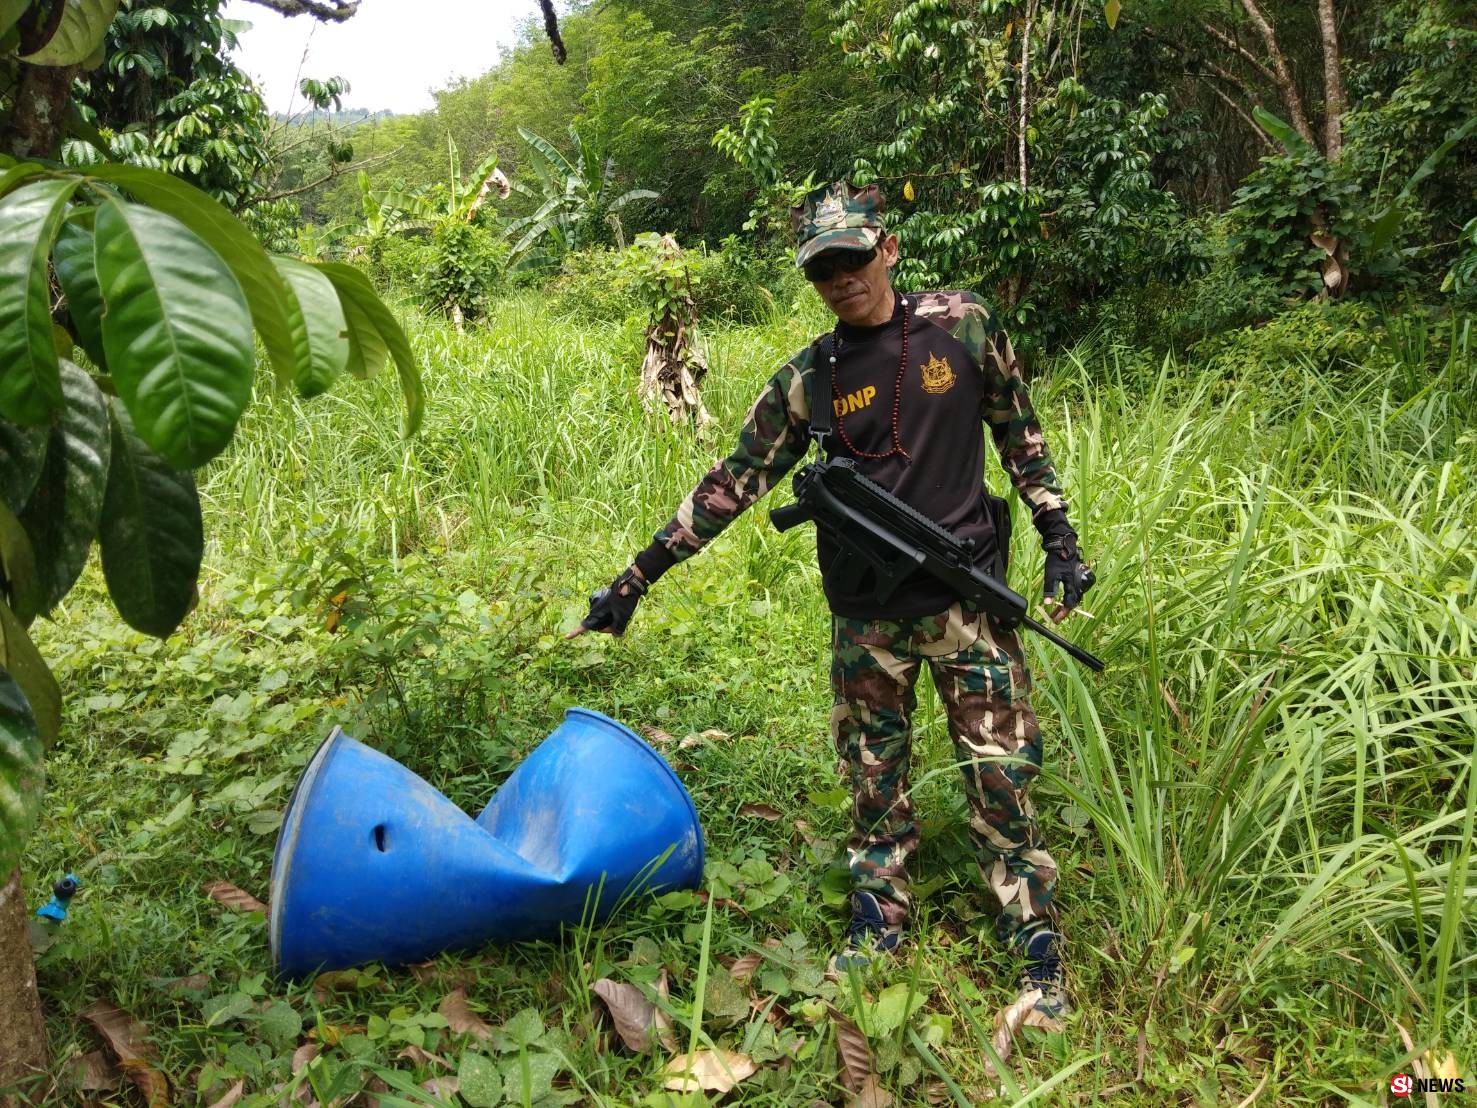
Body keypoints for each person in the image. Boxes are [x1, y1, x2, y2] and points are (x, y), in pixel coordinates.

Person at [569, 180, 1095, 1016]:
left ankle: (1032, 942)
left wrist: (1058, 536)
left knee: (1003, 777)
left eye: (851, 259)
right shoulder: (808, 377)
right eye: (822, 269)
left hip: (967, 607)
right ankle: (876, 919)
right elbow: (733, 483)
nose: (841, 279)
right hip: (867, 619)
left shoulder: (960, 326)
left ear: (885, 249)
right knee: (872, 779)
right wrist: (639, 574)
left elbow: (1018, 432)